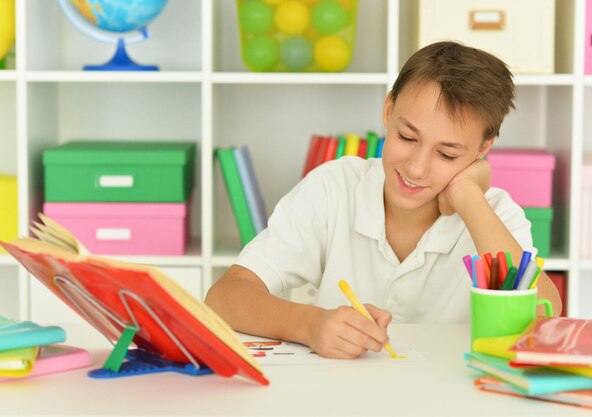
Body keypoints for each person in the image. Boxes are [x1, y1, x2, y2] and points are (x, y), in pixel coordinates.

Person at [205, 41, 563, 359]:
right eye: (408, 137)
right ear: (389, 110)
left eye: (448, 155)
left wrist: (468, 197)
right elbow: (224, 298)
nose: (417, 168)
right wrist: (309, 324)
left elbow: (545, 316)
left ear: (483, 148)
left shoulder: (494, 214)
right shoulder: (334, 188)